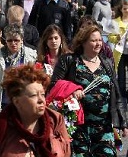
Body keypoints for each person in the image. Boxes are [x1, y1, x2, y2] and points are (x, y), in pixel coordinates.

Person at [50, 24, 128, 155]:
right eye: (93, 40)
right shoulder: (70, 60)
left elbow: (117, 93)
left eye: (99, 40)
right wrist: (72, 91)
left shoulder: (107, 62)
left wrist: (123, 122)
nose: (98, 44)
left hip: (104, 127)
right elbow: (54, 85)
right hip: (78, 126)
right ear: (83, 42)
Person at [0, 64, 71, 157]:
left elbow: (66, 152)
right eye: (33, 95)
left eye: (42, 94)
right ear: (17, 101)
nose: (41, 100)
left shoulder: (55, 120)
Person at [0, 24, 37, 127]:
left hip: (25, 105)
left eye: (16, 40)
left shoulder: (32, 55)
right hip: (4, 105)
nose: (13, 43)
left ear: (22, 39)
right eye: (9, 40)